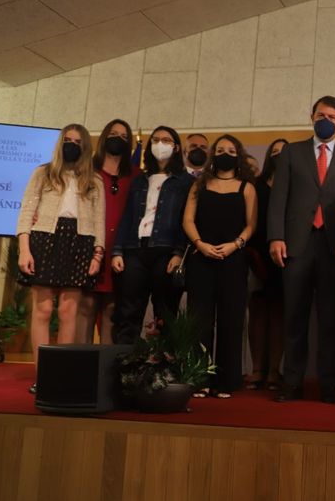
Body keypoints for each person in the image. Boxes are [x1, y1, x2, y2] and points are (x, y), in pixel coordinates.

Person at [268, 96, 335, 404]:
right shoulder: (292, 153)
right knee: (294, 317)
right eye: (321, 114)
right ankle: (292, 384)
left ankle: (328, 385)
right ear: (311, 116)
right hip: (296, 244)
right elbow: (278, 198)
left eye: (332, 116)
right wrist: (275, 237)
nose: (326, 119)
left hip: (334, 248)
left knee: (330, 320)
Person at [17, 124, 105, 391]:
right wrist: (24, 247)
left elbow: (100, 220)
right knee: (43, 309)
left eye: (78, 142)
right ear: (60, 143)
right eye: (68, 140)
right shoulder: (43, 173)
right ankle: (43, 375)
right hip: (44, 237)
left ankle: (61, 374)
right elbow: (26, 211)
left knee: (69, 311)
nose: (72, 145)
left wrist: (98, 254)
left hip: (81, 242)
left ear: (85, 147)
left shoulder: (95, 180)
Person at [183, 135, 257, 398]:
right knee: (200, 320)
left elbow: (251, 225)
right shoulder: (199, 185)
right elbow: (188, 220)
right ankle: (198, 377)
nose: (226, 154)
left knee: (231, 320)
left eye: (231, 150)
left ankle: (226, 381)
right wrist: (200, 243)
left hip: (233, 259)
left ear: (239, 155)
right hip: (201, 257)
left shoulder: (246, 187)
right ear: (213, 155)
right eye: (221, 150)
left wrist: (234, 244)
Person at [111, 126, 194, 344]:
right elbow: (128, 216)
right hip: (135, 249)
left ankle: (163, 369)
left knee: (165, 313)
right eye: (156, 140)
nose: (160, 144)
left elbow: (186, 220)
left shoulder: (186, 181)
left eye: (166, 140)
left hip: (166, 251)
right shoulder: (140, 179)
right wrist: (117, 251)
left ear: (176, 147)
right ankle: (124, 366)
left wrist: (178, 252)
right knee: (128, 311)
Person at [76, 119, 138, 344]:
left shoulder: (136, 175)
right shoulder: (86, 170)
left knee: (113, 308)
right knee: (86, 306)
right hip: (88, 247)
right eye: (114, 134)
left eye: (123, 137)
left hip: (119, 251)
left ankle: (106, 373)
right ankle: (80, 369)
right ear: (104, 137)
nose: (118, 139)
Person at [245, 138, 288, 390]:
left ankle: (274, 370)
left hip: (285, 256)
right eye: (274, 152)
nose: (279, 156)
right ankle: (257, 369)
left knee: (279, 313)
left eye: (284, 153)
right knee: (258, 312)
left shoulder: (295, 185)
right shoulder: (257, 185)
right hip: (257, 255)